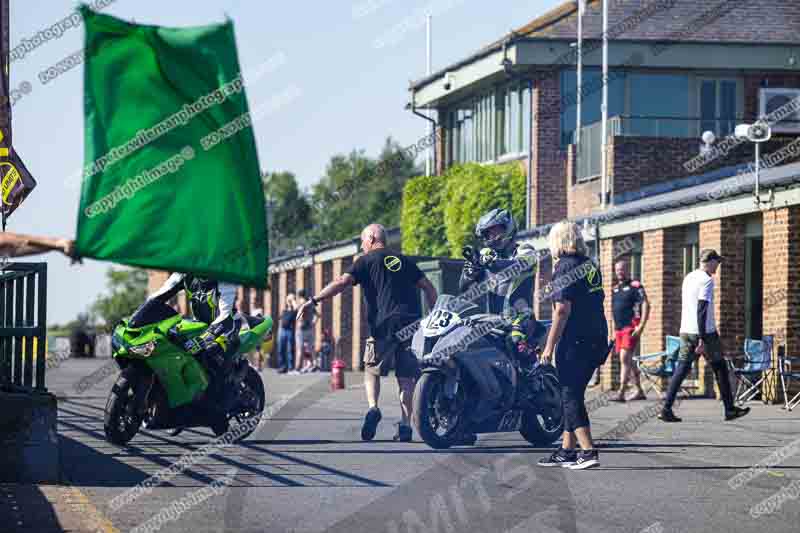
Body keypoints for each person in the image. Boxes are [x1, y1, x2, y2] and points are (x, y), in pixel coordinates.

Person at [297, 223, 437, 442]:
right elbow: (429, 287)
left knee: (372, 370)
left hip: (383, 326)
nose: (362, 246)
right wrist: (433, 315)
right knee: (406, 379)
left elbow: (341, 282)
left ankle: (373, 408)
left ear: (371, 238)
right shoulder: (405, 261)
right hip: (410, 324)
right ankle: (405, 425)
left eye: (363, 241)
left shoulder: (365, 261)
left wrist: (314, 300)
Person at [537, 221, 609, 470]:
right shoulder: (589, 265)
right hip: (597, 336)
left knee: (569, 394)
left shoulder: (564, 266)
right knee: (574, 392)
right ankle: (567, 450)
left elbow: (562, 310)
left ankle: (588, 451)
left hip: (576, 339)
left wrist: (548, 347)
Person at [659, 249, 750, 423]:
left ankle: (666, 409)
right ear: (709, 261)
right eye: (717, 262)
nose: (718, 266)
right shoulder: (707, 280)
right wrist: (702, 338)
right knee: (720, 368)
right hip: (705, 333)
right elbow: (702, 309)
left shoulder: (689, 277)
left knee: (681, 369)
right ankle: (730, 410)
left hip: (685, 330)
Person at [147, 272, 243, 433]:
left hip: (226, 329)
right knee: (172, 348)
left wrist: (200, 342)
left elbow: (225, 317)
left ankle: (218, 414)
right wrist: (137, 317)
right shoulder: (184, 274)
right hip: (199, 327)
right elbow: (158, 296)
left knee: (211, 356)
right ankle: (179, 403)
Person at [459, 208, 540, 350]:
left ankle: (537, 369)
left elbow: (514, 267)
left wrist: (488, 263)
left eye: (495, 231)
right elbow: (463, 288)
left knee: (515, 342)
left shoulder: (525, 250)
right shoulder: (485, 254)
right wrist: (470, 273)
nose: (492, 236)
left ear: (507, 229)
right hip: (492, 321)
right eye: (488, 233)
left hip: (521, 319)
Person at [610, 259, 649, 402]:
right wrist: (612, 330)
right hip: (619, 329)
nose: (620, 272)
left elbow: (645, 304)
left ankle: (621, 392)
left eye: (622, 269)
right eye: (617, 269)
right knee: (628, 360)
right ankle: (639, 390)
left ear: (628, 269)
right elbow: (614, 310)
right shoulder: (615, 289)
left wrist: (641, 326)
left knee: (624, 358)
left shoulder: (635, 286)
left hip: (630, 327)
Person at [295, 290, 317, 370]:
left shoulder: (301, 302)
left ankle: (297, 368)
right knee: (310, 348)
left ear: (299, 295)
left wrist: (299, 321)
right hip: (310, 328)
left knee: (300, 348)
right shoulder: (309, 303)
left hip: (301, 328)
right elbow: (317, 315)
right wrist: (313, 323)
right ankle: (314, 363)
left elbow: (297, 310)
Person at [277, 295, 297, 373]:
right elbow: (280, 320)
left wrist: (293, 300)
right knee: (281, 349)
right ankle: (282, 367)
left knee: (290, 349)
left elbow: (296, 308)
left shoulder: (294, 310)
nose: (289, 301)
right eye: (288, 300)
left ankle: (290, 368)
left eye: (291, 300)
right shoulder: (284, 310)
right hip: (282, 330)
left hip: (289, 331)